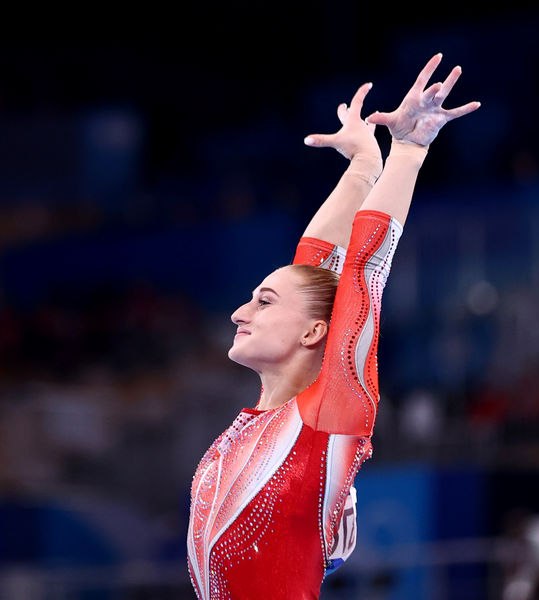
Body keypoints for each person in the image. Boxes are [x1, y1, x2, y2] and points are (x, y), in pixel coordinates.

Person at [187, 53, 480, 599]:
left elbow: (363, 272)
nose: (238, 313)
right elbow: (312, 272)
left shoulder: (330, 414)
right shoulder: (263, 420)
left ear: (313, 334)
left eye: (262, 302)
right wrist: (362, 167)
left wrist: (408, 152)